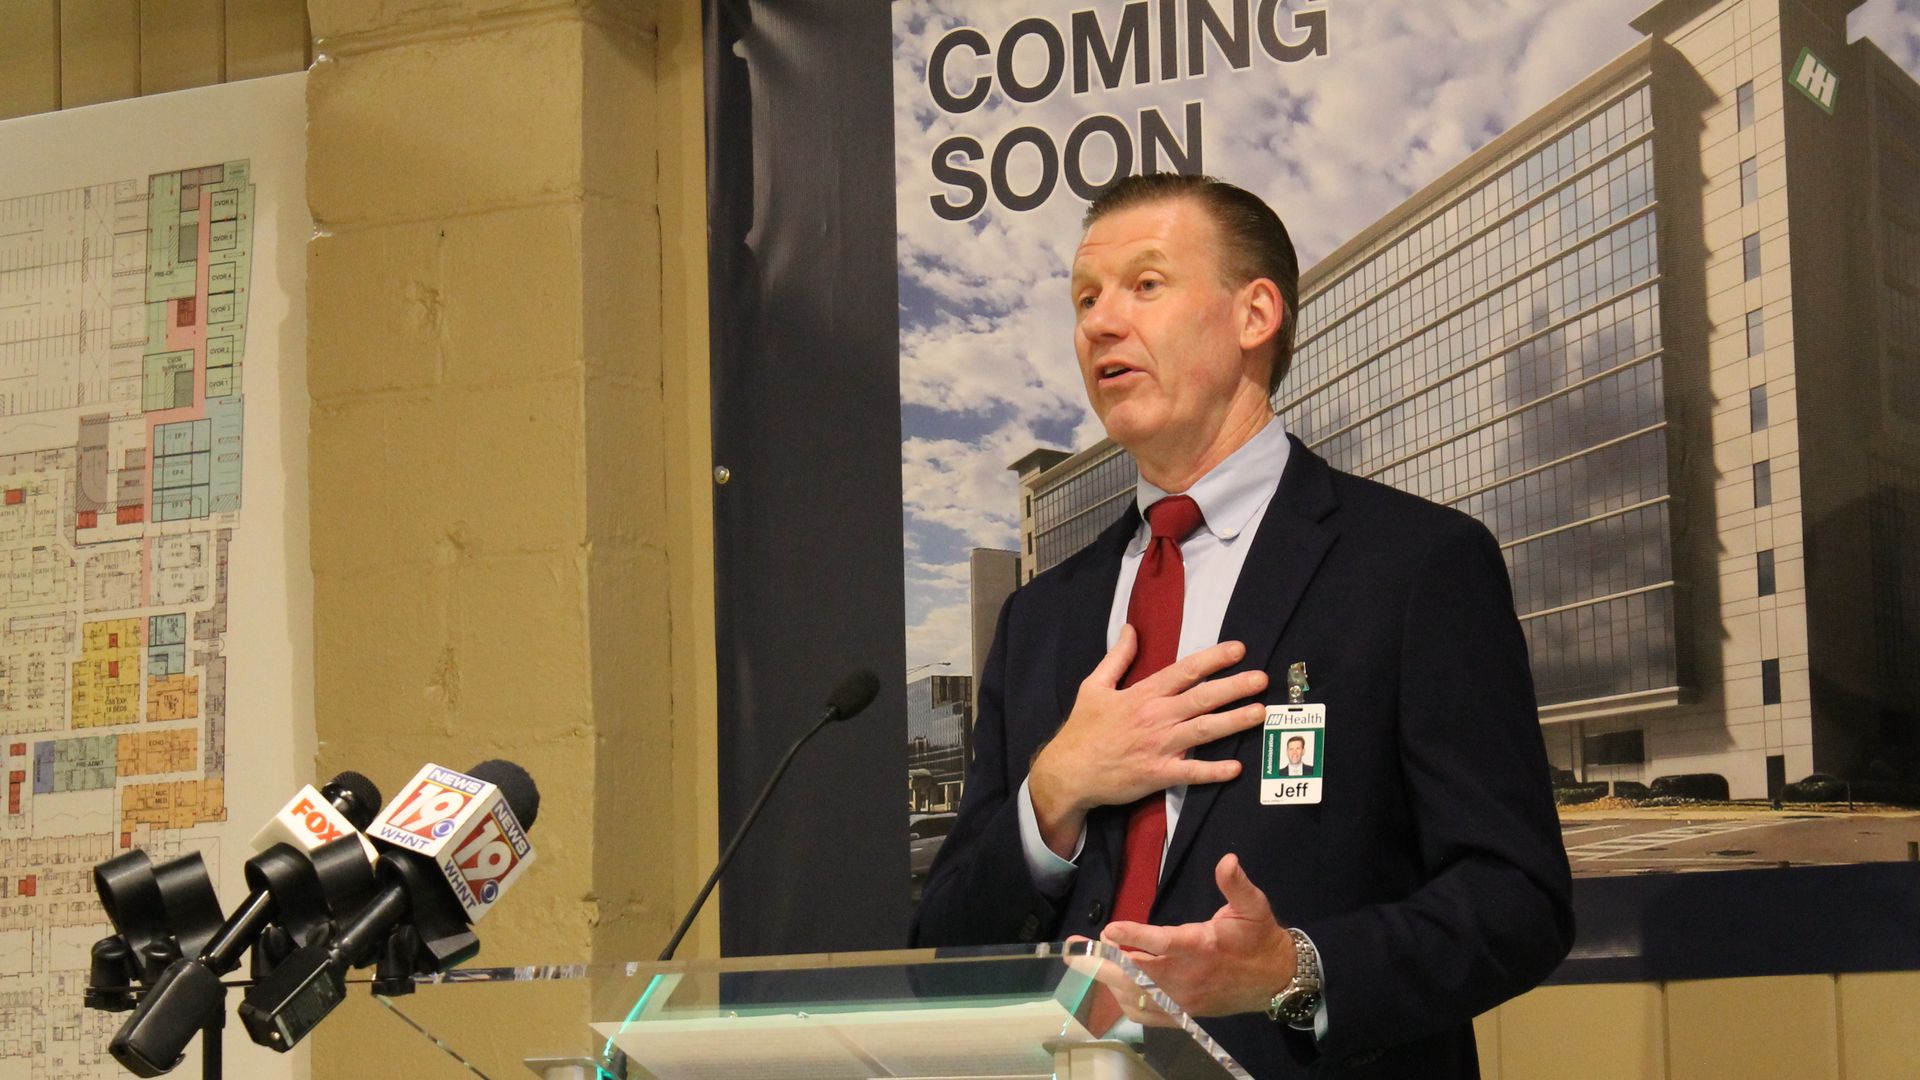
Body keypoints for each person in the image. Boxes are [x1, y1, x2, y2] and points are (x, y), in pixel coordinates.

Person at [910, 173, 1573, 1078]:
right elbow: (942, 942)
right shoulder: (1041, 616)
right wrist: (1053, 792)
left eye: (1145, 285)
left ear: (1256, 312)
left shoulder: (1416, 566)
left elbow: (1517, 901)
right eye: (1085, 299)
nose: (1100, 323)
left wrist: (1292, 972)